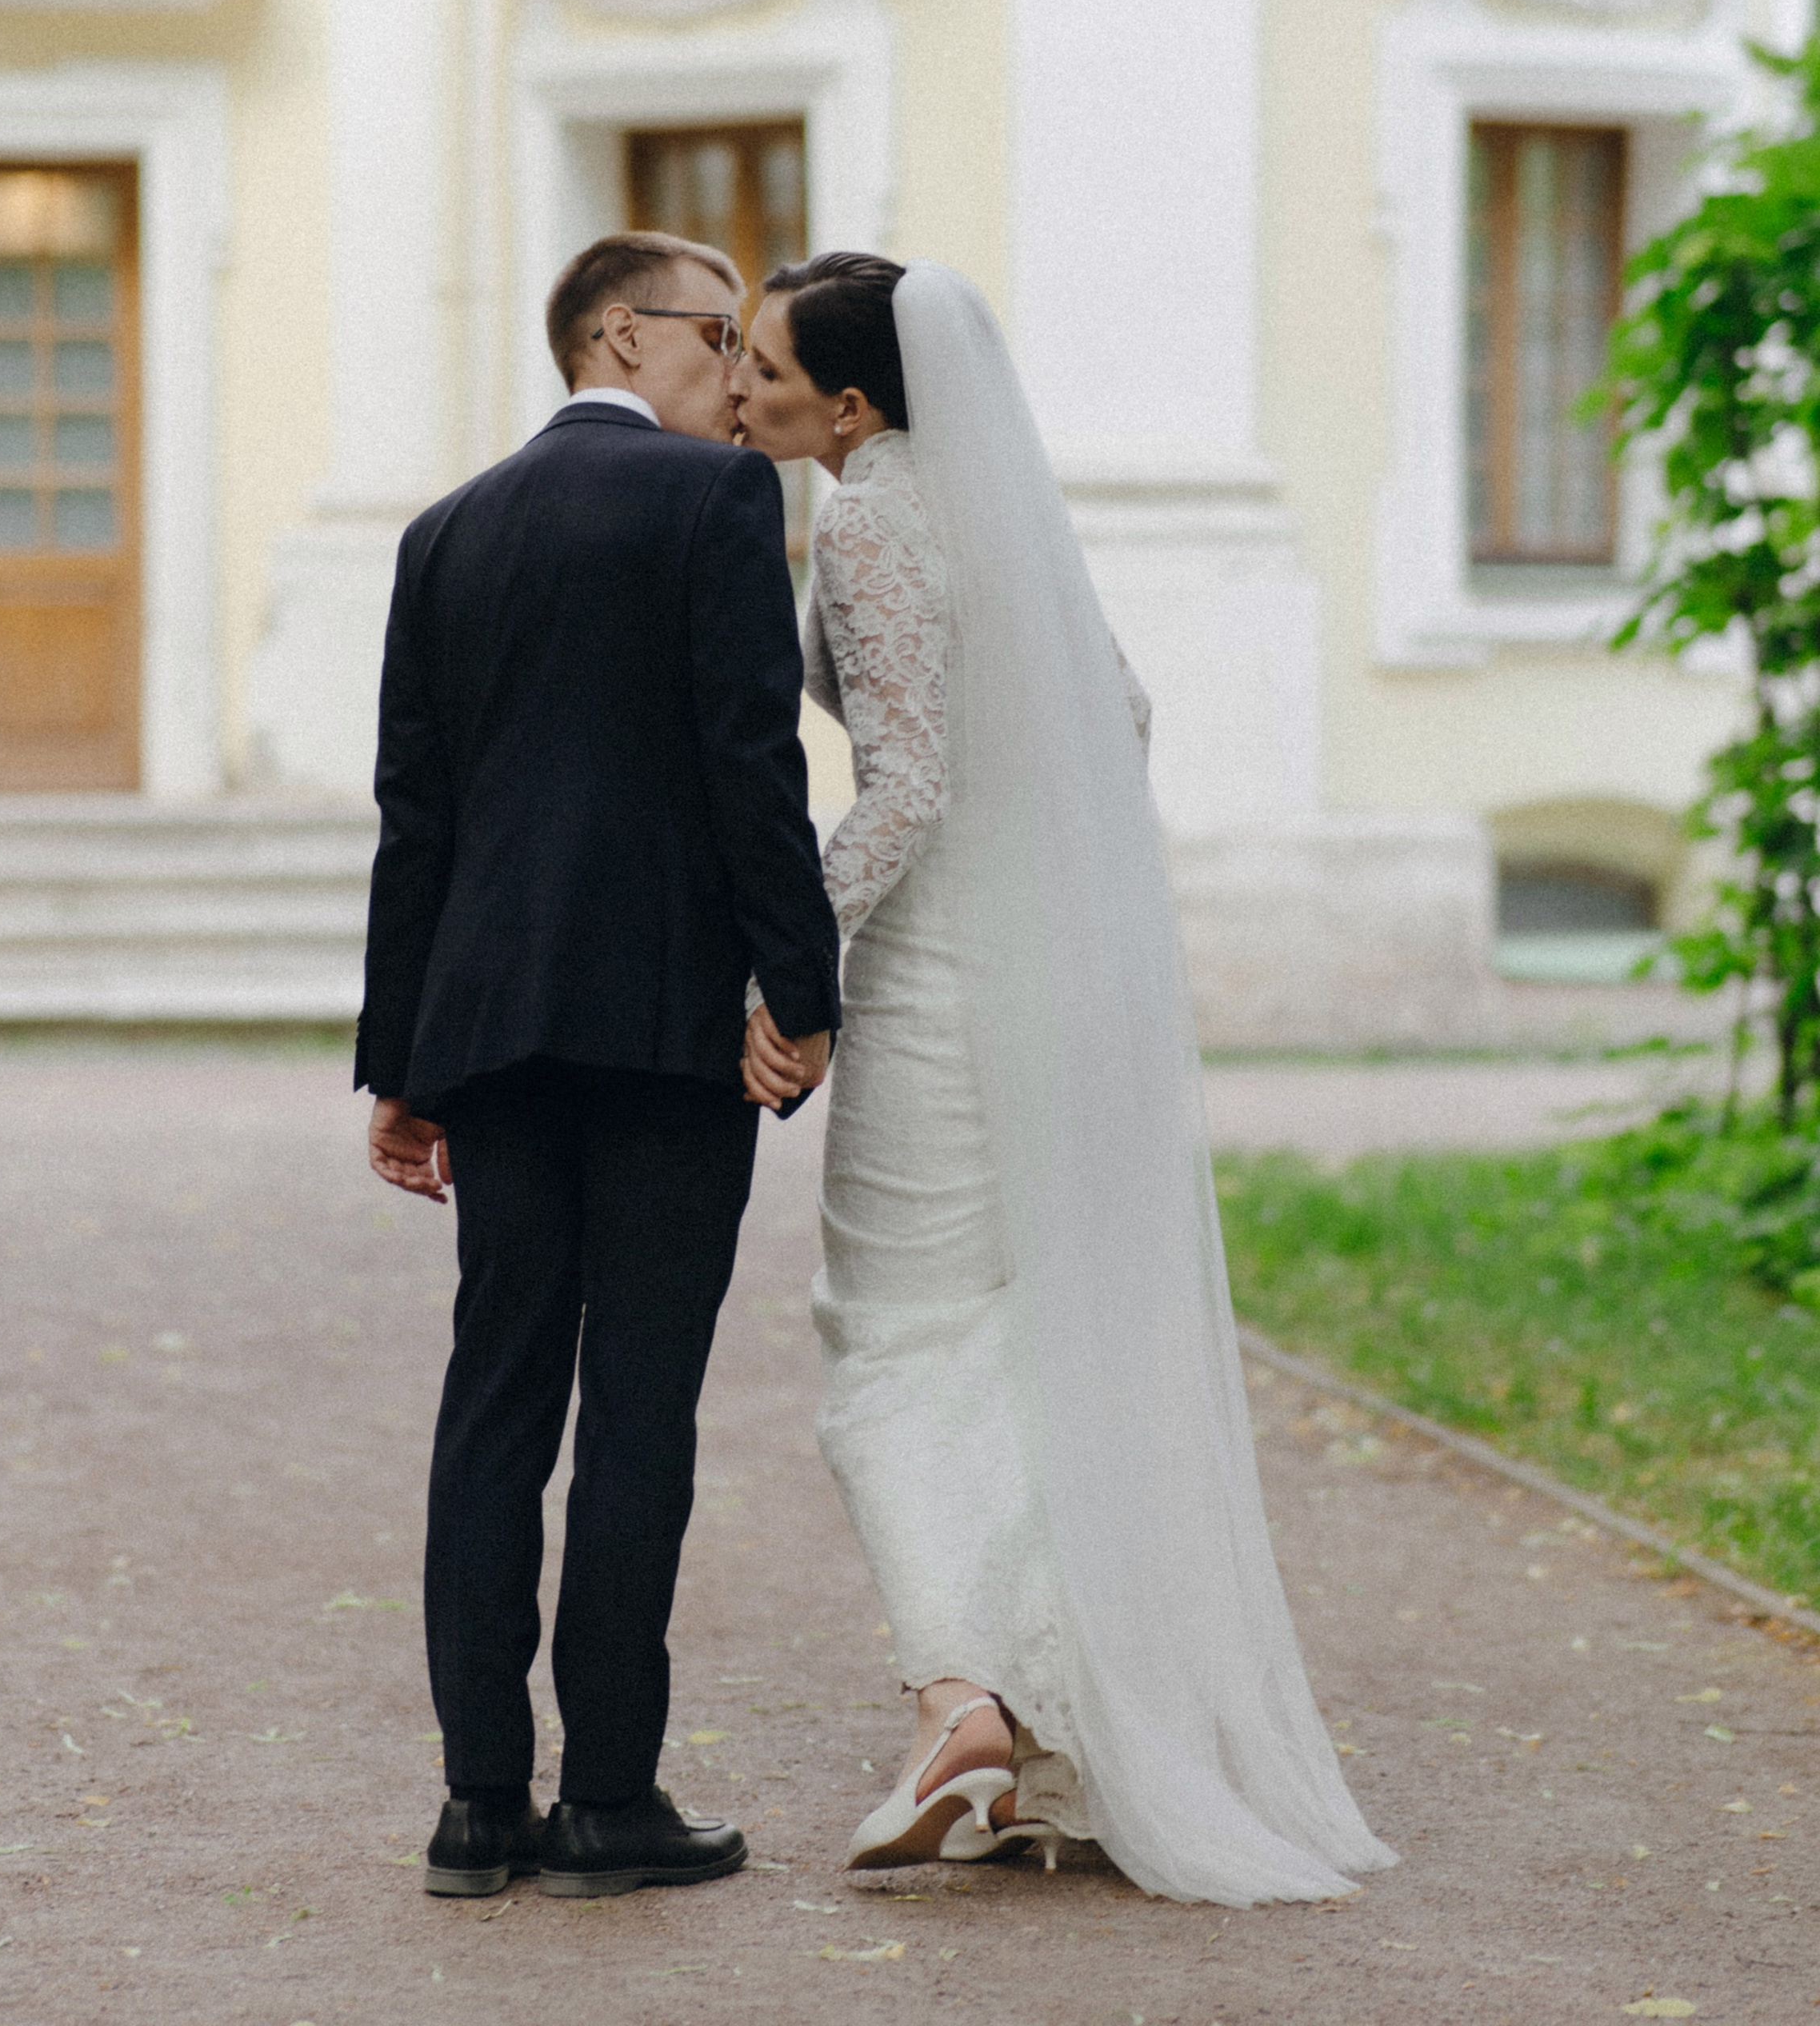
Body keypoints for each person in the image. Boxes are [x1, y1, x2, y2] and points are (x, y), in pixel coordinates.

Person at [734, 254, 1397, 1904]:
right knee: (1027, 1347)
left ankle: (957, 1697)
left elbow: (901, 791)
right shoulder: (987, 509)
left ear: (851, 404)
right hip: (1052, 973)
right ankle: (1067, 1741)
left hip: (947, 981)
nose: (738, 390)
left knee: (881, 1342)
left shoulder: (871, 517)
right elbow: (1121, 710)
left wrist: (778, 968)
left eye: (760, 368)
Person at [357, 231, 840, 1904]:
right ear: (621, 337)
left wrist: (398, 1065)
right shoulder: (712, 509)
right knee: (635, 1408)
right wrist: (804, 984)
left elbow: (413, 819)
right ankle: (610, 1802)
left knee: (492, 1403)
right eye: (719, 335)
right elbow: (747, 763)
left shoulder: (443, 534)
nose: (739, 368)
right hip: (657, 1032)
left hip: (486, 1032)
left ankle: (479, 1806)